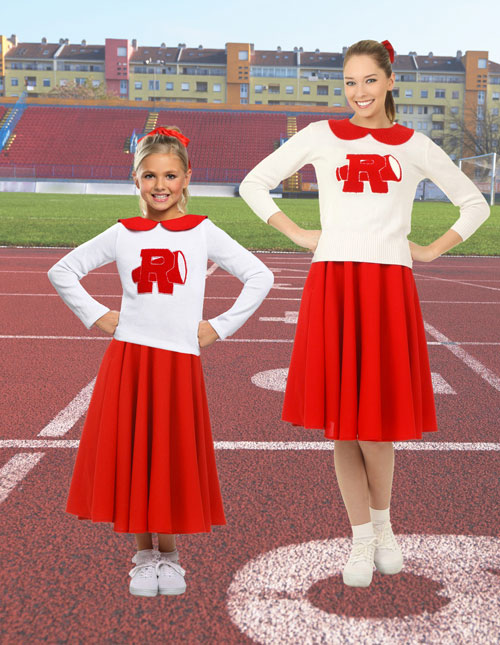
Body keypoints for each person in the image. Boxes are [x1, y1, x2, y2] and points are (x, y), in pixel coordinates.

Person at [239, 39, 490, 588]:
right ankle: (358, 539)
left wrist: (429, 248)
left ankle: (385, 528)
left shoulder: (415, 144)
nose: (358, 93)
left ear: (390, 81)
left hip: (387, 287)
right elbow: (253, 184)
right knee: (342, 428)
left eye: (369, 81)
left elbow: (476, 202)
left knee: (376, 427)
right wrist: (300, 234)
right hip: (333, 282)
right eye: (350, 82)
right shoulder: (320, 136)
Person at [48, 126, 274, 597]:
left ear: (187, 177)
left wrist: (220, 325)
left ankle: (169, 557)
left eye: (170, 175)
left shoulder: (203, 231)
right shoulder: (122, 233)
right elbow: (62, 270)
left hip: (177, 366)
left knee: (168, 454)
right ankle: (142, 556)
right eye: (149, 175)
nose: (160, 185)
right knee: (135, 453)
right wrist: (98, 315)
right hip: (129, 360)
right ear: (135, 179)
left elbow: (259, 274)